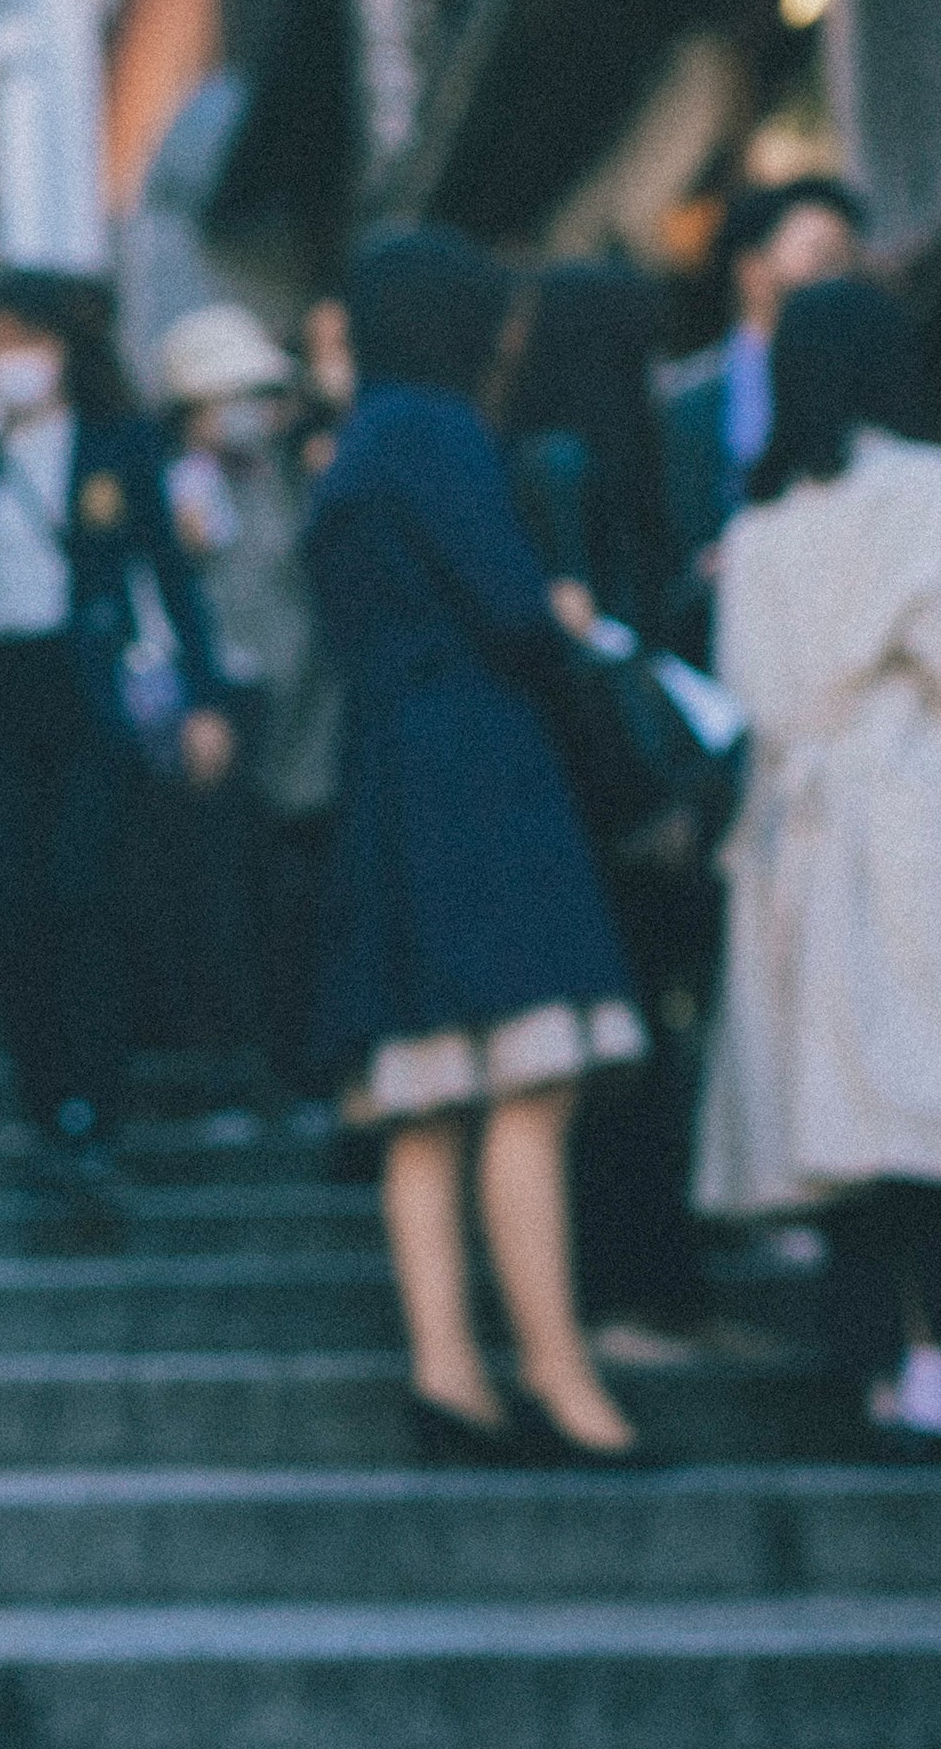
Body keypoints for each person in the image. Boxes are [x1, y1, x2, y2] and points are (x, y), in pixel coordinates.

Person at [696, 278, 941, 1459]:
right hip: (921, 820)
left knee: (842, 1133)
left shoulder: (755, 532)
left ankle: (873, 1381)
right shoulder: (936, 495)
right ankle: (939, 1380)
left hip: (795, 834)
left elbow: (747, 698)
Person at [308, 227, 648, 1466]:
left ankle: (449, 1375)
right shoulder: (439, 431)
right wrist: (562, 614)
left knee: (426, 1097)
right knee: (528, 1076)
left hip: (390, 772)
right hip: (481, 769)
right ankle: (563, 1379)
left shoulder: (356, 445)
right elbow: (512, 605)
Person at [0, 265, 234, 1204]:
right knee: (10, 903)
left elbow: (169, 578)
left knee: (86, 890)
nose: (10, 360)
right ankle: (44, 1100)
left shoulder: (117, 446)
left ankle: (97, 1101)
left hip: (85, 691)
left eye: (28, 340)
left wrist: (207, 697)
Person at [503, 257, 716, 1365]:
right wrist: (648, 797)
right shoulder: (585, 465)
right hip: (607, 794)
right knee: (627, 1046)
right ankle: (630, 1294)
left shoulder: (538, 454)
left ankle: (638, 1290)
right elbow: (596, 644)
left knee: (615, 1047)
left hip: (570, 795)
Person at [157, 301, 332, 1118]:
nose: (247, 413)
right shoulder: (171, 489)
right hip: (213, 713)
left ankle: (292, 1064)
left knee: (289, 902)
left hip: (299, 716)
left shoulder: (290, 479)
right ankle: (226, 1067)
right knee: (217, 901)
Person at [658, 175, 868, 635]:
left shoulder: (866, 371)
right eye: (820, 257)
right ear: (752, 270)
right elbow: (680, 553)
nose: (838, 278)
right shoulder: (691, 405)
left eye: (846, 259)